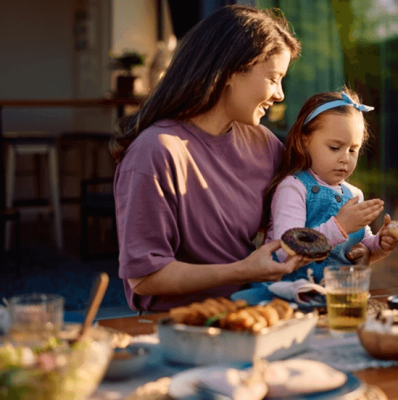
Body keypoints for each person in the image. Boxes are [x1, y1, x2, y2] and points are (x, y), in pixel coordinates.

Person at [111, 6, 367, 312]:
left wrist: (356, 249)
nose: (280, 95)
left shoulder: (263, 145)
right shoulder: (155, 153)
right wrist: (243, 270)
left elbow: (305, 221)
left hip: (259, 311)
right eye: (274, 79)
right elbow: (146, 278)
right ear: (231, 71)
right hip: (181, 325)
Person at [262, 87, 398, 284]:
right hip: (288, 293)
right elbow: (286, 252)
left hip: (334, 298)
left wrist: (379, 244)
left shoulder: (354, 194)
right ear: (303, 142)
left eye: (353, 150)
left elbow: (360, 247)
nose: (345, 158)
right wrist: (340, 226)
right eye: (335, 148)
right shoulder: (293, 188)